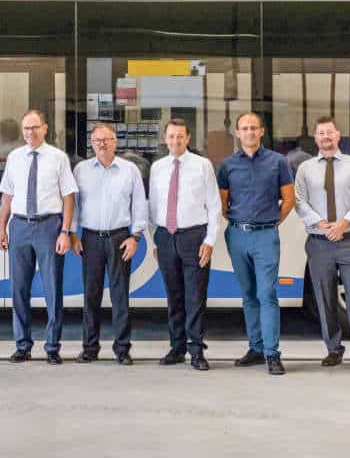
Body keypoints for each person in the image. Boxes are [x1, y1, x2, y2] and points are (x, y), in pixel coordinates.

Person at [293, 117, 350, 374]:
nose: (325, 137)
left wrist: (343, 224)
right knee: (325, 300)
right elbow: (299, 202)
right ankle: (334, 349)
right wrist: (323, 225)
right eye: (321, 133)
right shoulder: (305, 169)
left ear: (338, 135)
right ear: (315, 137)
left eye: (329, 132)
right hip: (319, 242)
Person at [0, 110, 77, 366]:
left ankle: (52, 347)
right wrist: (2, 228)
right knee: (19, 289)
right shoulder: (14, 158)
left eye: (34, 128)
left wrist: (65, 231)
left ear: (45, 128)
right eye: (26, 129)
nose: (30, 133)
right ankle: (23, 345)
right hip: (19, 226)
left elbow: (68, 197)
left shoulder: (58, 158)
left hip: (49, 227)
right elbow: (7, 196)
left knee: (53, 289)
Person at [217, 112, 295, 376]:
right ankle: (256, 347)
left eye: (253, 128)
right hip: (237, 235)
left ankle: (272, 353)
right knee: (248, 294)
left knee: (267, 294)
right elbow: (222, 203)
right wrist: (240, 223)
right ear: (237, 133)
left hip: (265, 236)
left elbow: (288, 199)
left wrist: (271, 222)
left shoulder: (278, 162)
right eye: (244, 128)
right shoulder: (227, 165)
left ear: (262, 132)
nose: (249, 132)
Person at [70, 123, 147, 365]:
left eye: (107, 140)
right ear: (91, 144)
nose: (102, 144)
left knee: (120, 296)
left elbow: (140, 205)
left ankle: (122, 349)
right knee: (90, 296)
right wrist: (72, 234)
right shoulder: (81, 170)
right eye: (97, 140)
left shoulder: (129, 169)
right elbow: (71, 203)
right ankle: (89, 348)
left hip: (120, 238)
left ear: (116, 142)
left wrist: (135, 237)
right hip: (90, 239)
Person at [148, 118, 220, 371]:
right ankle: (177, 347)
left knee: (195, 296)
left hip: (194, 237)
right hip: (166, 238)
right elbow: (153, 206)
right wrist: (154, 238)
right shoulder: (157, 167)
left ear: (188, 138)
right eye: (171, 136)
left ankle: (197, 350)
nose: (175, 141)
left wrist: (209, 241)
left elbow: (214, 205)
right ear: (165, 139)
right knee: (174, 296)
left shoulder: (202, 165)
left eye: (180, 136)